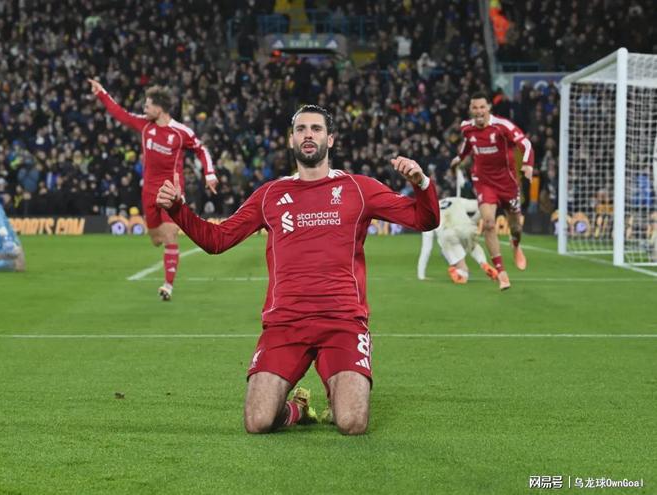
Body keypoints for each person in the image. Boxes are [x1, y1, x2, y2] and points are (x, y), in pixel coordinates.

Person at [156, 105, 440, 435]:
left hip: (342, 321)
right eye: (301, 129)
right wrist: (177, 208)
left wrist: (421, 183)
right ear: (291, 139)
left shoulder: (359, 189)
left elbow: (425, 219)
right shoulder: (270, 195)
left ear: (330, 139)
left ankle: (339, 392)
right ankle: (297, 408)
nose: (308, 135)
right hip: (285, 322)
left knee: (352, 422)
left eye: (316, 129)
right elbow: (216, 240)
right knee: (258, 421)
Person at [88, 79, 217, 301]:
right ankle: (166, 254)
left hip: (170, 191)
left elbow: (201, 149)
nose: (144, 109)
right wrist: (101, 93)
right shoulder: (145, 125)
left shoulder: (180, 132)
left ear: (159, 108)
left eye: (147, 106)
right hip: (148, 192)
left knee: (169, 235)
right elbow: (120, 113)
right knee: (156, 239)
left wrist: (210, 174)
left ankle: (168, 286)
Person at [450, 92, 534, 290]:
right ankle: (501, 272)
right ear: (470, 109)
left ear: (488, 108)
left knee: (516, 226)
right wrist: (459, 158)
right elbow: (468, 144)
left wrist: (528, 165)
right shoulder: (467, 128)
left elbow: (525, 143)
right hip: (483, 181)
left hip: (508, 183)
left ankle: (515, 244)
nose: (479, 111)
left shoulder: (502, 126)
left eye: (482, 107)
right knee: (488, 223)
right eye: (475, 107)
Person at [418, 196, 498, 284]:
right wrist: (473, 221)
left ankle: (461, 272)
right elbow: (480, 205)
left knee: (446, 249)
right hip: (466, 228)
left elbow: (426, 249)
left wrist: (421, 275)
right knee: (472, 245)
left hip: (447, 234)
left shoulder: (428, 213)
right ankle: (483, 262)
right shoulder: (455, 199)